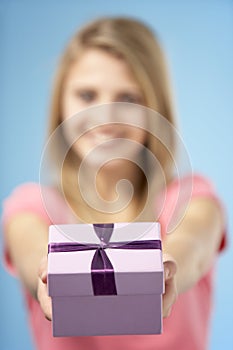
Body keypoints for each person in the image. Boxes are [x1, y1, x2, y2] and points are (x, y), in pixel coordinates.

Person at [2, 17, 226, 350]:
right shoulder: (31, 207)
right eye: (87, 95)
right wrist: (45, 274)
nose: (106, 116)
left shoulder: (191, 199)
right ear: (60, 105)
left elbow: (192, 244)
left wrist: (167, 268)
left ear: (155, 109)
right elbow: (30, 247)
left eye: (129, 99)